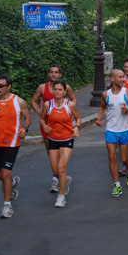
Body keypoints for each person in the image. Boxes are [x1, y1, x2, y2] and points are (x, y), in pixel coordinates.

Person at [0, 75, 31, 219]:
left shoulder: (18, 101)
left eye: (0, 86)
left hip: (12, 142)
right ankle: (13, 182)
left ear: (8, 86)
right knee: (0, 176)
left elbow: (27, 117)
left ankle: (7, 206)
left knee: (5, 174)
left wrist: (25, 128)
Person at [30, 64, 76, 193]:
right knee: (51, 154)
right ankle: (58, 177)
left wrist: (69, 112)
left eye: (56, 72)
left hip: (62, 127)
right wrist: (40, 113)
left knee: (62, 158)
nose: (53, 74)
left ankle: (59, 179)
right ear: (48, 74)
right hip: (47, 126)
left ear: (60, 74)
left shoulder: (66, 88)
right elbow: (33, 101)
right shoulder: (42, 87)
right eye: (51, 72)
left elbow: (73, 99)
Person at [39, 79, 82, 208]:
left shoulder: (70, 105)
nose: (57, 92)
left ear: (64, 92)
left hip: (67, 139)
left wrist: (76, 128)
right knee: (56, 171)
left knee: (61, 169)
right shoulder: (48, 105)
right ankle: (65, 180)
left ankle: (61, 197)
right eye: (55, 89)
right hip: (53, 139)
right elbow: (41, 119)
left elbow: (78, 118)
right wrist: (45, 126)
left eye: (60, 90)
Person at [95, 69, 128, 197]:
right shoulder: (106, 95)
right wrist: (99, 118)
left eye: (123, 77)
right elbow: (102, 107)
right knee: (112, 157)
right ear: (112, 79)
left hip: (125, 129)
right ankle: (117, 185)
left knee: (124, 159)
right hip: (111, 130)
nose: (123, 79)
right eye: (120, 77)